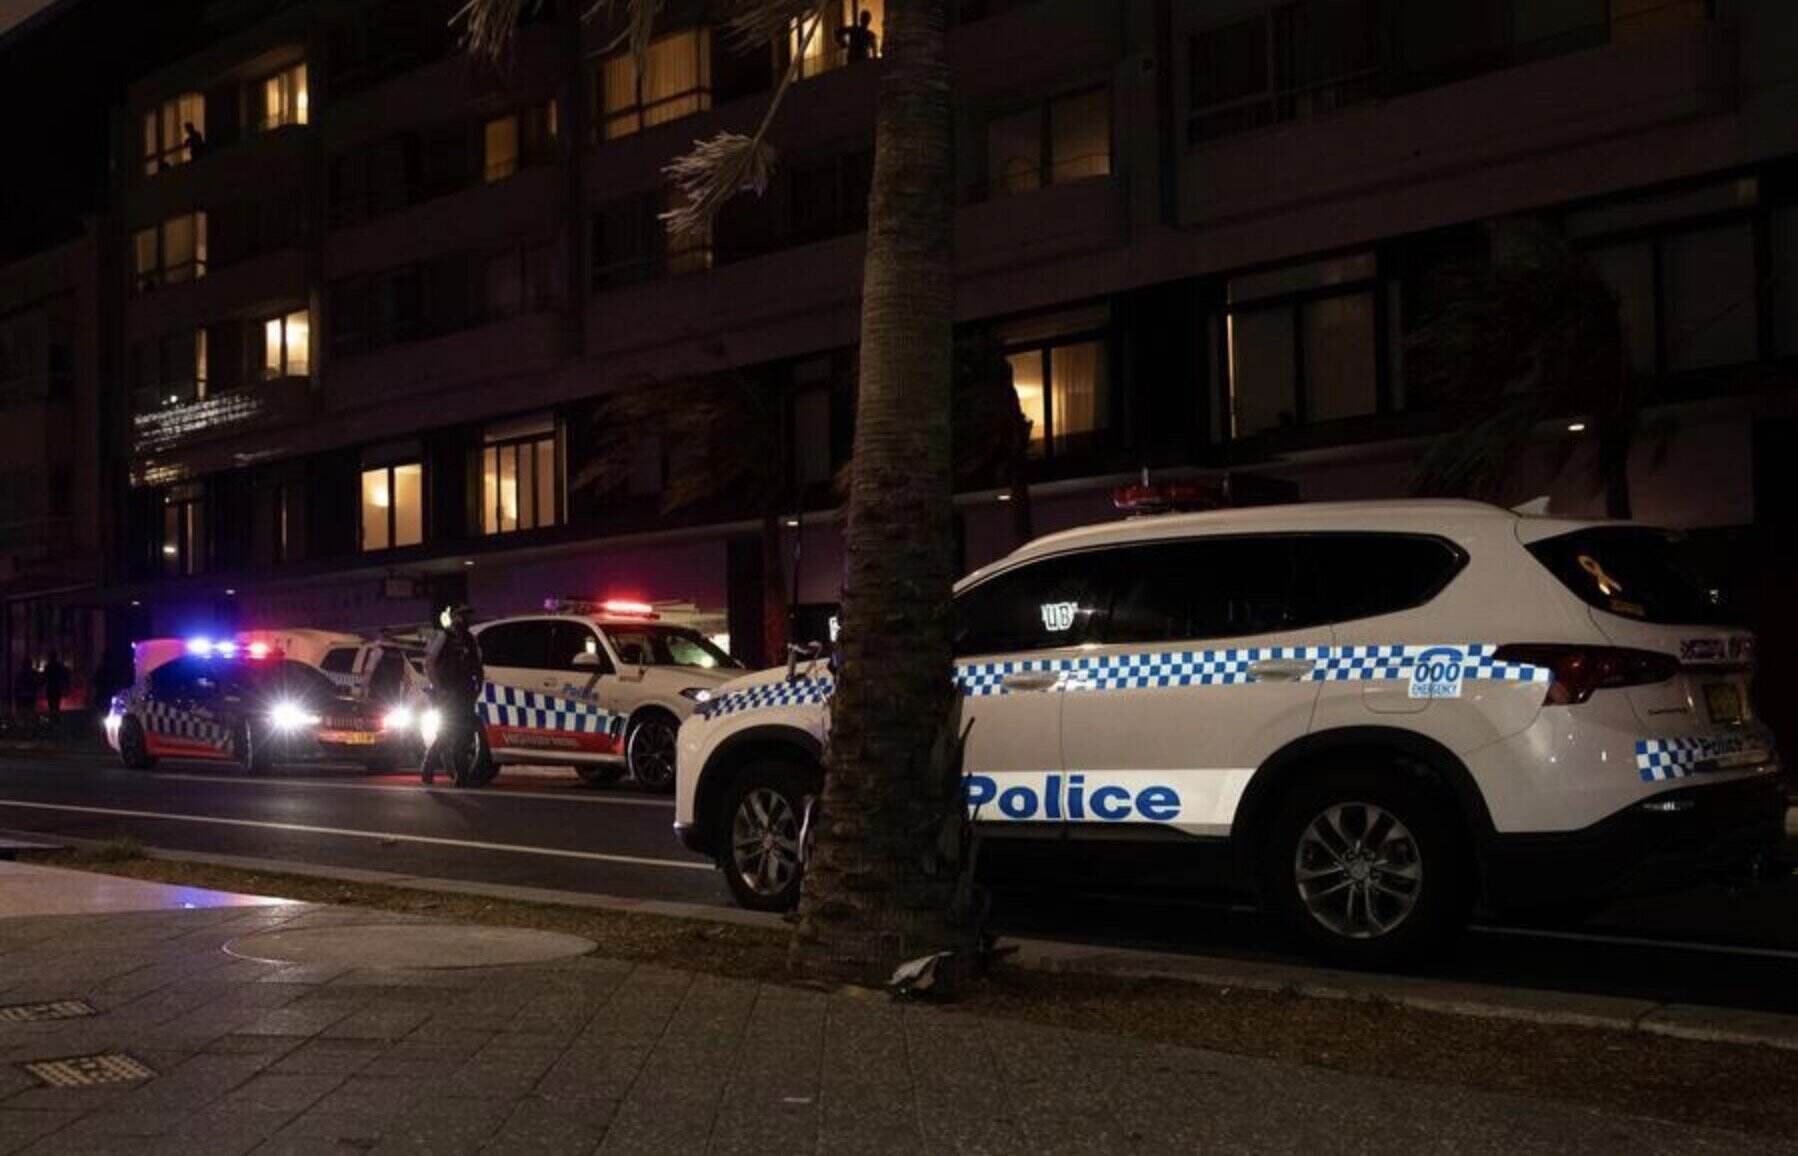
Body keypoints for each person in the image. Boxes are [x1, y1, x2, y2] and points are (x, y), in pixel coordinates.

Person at [422, 605, 483, 785]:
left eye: (468, 616)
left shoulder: (470, 639)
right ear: (454, 617)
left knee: (464, 733)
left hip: (466, 692)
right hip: (448, 693)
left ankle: (462, 776)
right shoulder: (443, 637)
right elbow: (429, 664)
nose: (466, 619)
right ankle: (429, 766)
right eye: (462, 615)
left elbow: (477, 665)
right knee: (447, 733)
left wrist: (478, 687)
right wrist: (439, 689)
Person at [42, 653, 69, 735]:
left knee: (51, 706)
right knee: (56, 705)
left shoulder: (48, 667)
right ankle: (56, 721)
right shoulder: (59, 666)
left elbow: (44, 678)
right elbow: (65, 676)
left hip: (51, 688)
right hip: (57, 688)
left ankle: (52, 721)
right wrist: (65, 686)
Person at [12, 660, 35, 727]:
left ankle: (24, 728)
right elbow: (36, 684)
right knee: (29, 715)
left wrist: (16, 697)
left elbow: (16, 687)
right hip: (28, 697)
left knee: (23, 715)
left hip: (22, 697)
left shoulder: (19, 674)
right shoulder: (32, 674)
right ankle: (28, 727)